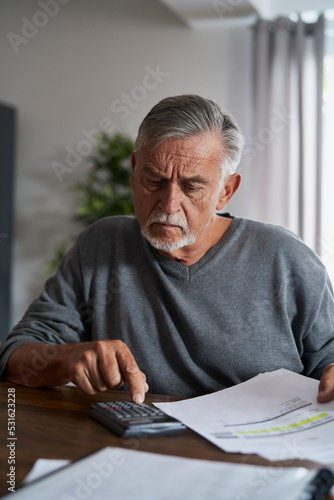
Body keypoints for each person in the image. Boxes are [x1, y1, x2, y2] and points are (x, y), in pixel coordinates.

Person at [1, 94, 334, 404]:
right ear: (134, 172)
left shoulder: (286, 259)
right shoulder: (102, 245)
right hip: (134, 449)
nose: (170, 204)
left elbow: (329, 360)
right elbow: (16, 356)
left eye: (192, 186)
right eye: (155, 181)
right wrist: (66, 358)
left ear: (226, 191)